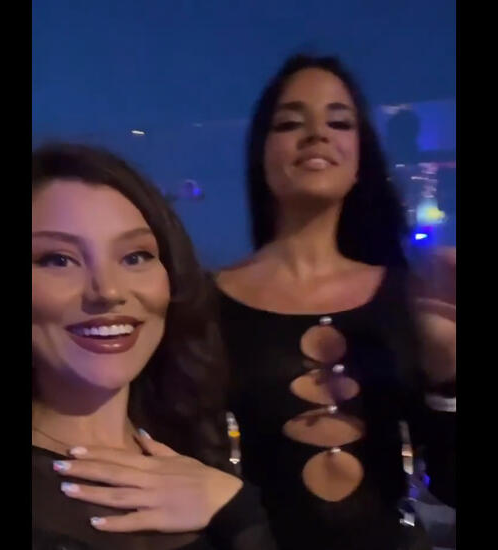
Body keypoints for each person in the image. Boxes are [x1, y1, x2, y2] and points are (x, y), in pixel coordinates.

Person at [213, 55, 456, 550]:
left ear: (360, 158)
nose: (317, 134)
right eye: (290, 123)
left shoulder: (406, 295)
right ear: (261, 153)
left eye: (339, 122)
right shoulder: (208, 300)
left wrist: (448, 377)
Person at [31, 144, 276, 550]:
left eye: (135, 256)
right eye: (59, 260)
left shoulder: (196, 444)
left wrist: (234, 509)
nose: (108, 291)